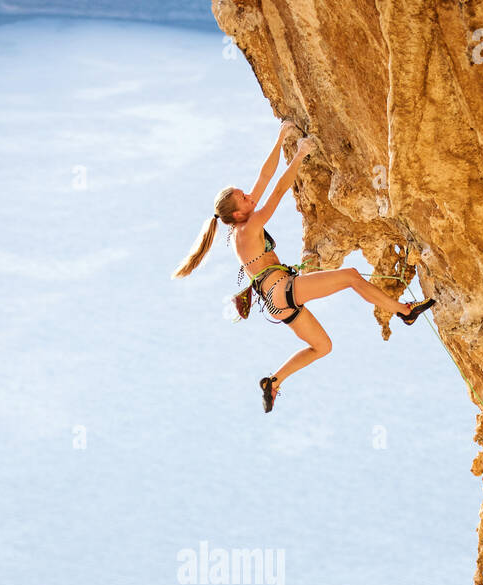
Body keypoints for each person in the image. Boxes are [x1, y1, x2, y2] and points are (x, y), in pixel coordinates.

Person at [172, 121, 435, 412]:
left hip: (277, 302)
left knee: (323, 347)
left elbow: (265, 176)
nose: (250, 196)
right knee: (350, 276)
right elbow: (278, 191)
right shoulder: (249, 227)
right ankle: (404, 311)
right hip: (282, 290)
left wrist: (280, 137)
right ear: (237, 212)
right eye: (245, 198)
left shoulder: (242, 223)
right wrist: (300, 154)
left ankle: (274, 381)